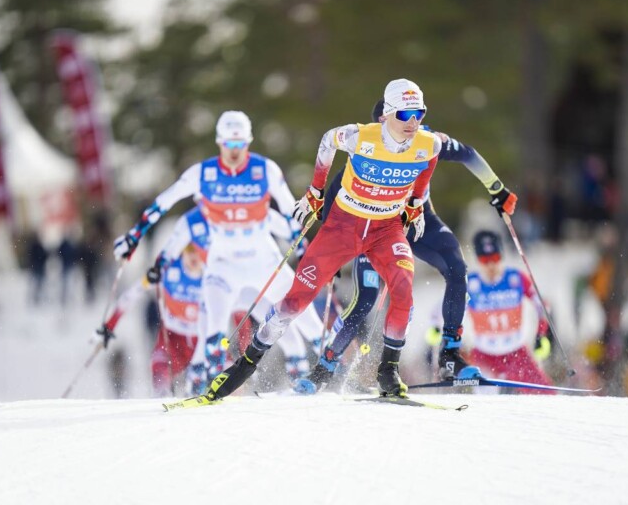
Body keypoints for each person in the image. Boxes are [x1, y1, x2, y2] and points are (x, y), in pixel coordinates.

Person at [199, 78, 442, 402]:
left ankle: (388, 372)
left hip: (386, 229)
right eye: (404, 114)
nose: (412, 122)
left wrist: (416, 201)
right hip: (343, 227)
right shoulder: (362, 137)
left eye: (419, 113)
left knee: (403, 286)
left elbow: (428, 164)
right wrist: (315, 191)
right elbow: (328, 140)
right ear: (386, 114)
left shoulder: (428, 144)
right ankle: (244, 365)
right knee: (295, 301)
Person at [293, 98, 518, 393]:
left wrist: (497, 189)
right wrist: (326, 256)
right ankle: (326, 367)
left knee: (455, 266)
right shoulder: (363, 150)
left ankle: (450, 354)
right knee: (365, 300)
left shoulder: (426, 140)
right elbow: (328, 207)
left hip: (419, 225)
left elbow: (468, 154)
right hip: (375, 231)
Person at [112, 111, 324, 392]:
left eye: (239, 145)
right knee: (212, 328)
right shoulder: (203, 173)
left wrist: (307, 249)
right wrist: (133, 236)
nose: (234, 151)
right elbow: (164, 201)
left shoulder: (265, 170)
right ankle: (205, 385)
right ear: (219, 142)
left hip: (265, 262)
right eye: (228, 144)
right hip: (223, 265)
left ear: (247, 142)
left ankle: (334, 371)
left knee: (305, 319)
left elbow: (290, 212)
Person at [463, 230, 554, 394]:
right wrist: (448, 338)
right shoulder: (470, 283)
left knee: (546, 395)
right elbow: (448, 311)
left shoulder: (516, 278)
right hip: (484, 355)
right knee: (488, 405)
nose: (491, 265)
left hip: (516, 353)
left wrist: (541, 334)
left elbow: (541, 304)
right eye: (485, 260)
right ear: (478, 260)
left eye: (495, 258)